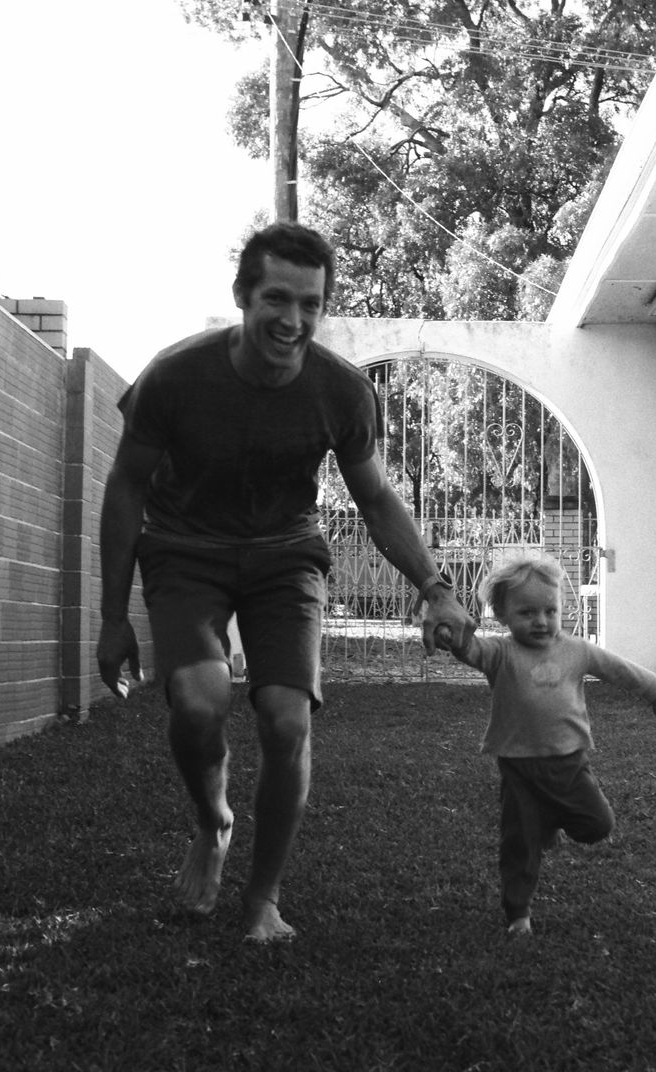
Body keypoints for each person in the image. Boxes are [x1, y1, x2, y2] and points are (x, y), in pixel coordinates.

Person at [96, 221, 474, 944]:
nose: (293, 320)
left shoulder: (342, 392)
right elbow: (125, 488)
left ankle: (262, 900)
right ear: (244, 296)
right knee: (199, 701)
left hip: (286, 557)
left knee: (286, 718)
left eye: (310, 303)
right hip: (184, 550)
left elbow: (375, 499)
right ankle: (213, 826)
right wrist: (113, 615)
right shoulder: (174, 376)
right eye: (277, 298)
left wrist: (436, 586)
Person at [442, 553, 656, 938]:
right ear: (502, 614)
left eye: (550, 610)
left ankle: (551, 819)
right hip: (518, 767)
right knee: (520, 843)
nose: (540, 620)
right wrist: (453, 637)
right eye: (527, 612)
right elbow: (470, 651)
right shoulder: (501, 653)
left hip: (569, 762)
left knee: (597, 825)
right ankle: (518, 913)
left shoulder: (577, 650)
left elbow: (619, 669)